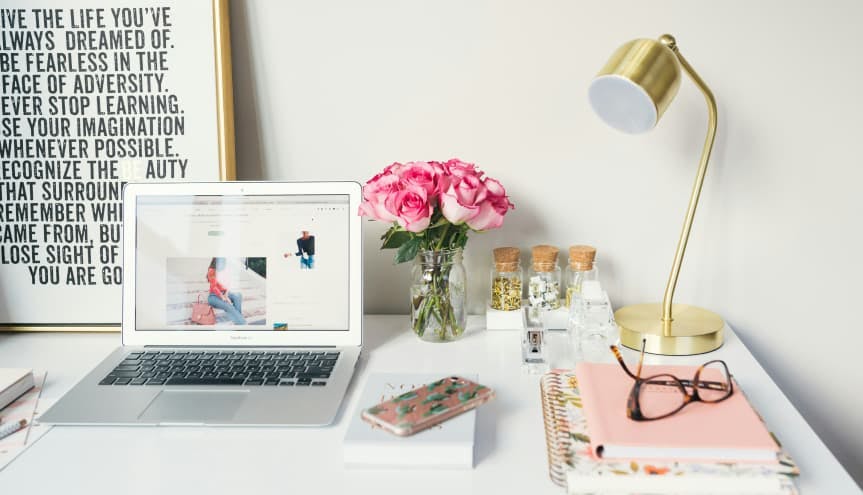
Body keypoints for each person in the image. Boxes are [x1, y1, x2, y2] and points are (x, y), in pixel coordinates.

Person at [206, 258, 246, 325]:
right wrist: (223, 297)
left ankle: (239, 320)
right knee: (228, 306)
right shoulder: (211, 270)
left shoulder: (225, 271)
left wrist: (226, 296)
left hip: (224, 294)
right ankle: (242, 323)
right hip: (213, 296)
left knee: (238, 295)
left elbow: (228, 285)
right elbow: (214, 287)